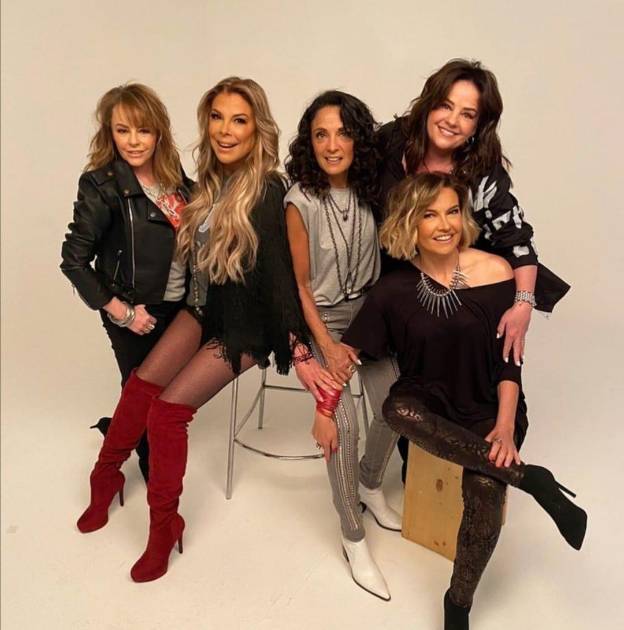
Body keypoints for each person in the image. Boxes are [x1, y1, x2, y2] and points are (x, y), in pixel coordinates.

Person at [75, 77, 309, 583]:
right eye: (217, 118)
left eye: (239, 120)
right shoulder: (206, 180)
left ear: (257, 129)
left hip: (247, 326)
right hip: (204, 310)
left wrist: (301, 348)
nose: (225, 130)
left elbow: (280, 281)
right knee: (140, 386)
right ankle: (105, 477)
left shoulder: (267, 189)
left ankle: (165, 526)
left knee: (166, 414)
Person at [334, 173, 586, 629]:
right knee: (394, 409)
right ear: (410, 223)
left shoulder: (497, 271)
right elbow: (350, 354)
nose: (445, 224)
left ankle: (458, 604)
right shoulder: (392, 290)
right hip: (426, 402)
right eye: (430, 215)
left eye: (452, 211)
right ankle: (531, 479)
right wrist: (319, 394)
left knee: (486, 490)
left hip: (489, 403)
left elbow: (510, 363)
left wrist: (505, 426)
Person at [377, 58, 569, 479]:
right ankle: (489, 467)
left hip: (462, 279)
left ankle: (495, 447)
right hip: (397, 276)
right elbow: (340, 167)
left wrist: (522, 304)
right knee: (418, 450)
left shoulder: (483, 172)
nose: (452, 120)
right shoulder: (391, 142)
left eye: (467, 114)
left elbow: (518, 242)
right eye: (446, 105)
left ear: (479, 126)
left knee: (482, 361)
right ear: (428, 104)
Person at [284, 91, 401, 601]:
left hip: (370, 315)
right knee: (343, 425)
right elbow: (300, 287)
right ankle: (352, 534)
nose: (333, 145)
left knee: (397, 405)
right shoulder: (300, 201)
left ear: (358, 139)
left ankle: (371, 483)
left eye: (343, 133)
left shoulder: (373, 190)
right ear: (309, 143)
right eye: (321, 135)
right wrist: (327, 346)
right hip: (324, 319)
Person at [61, 83, 193, 481]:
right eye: (123, 130)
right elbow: (74, 260)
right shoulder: (101, 185)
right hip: (136, 310)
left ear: (159, 133)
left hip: (179, 306)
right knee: (145, 394)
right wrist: (123, 313)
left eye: (143, 130)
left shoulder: (175, 179)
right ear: (110, 133)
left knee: (164, 394)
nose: (133, 141)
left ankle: (118, 432)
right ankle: (148, 473)